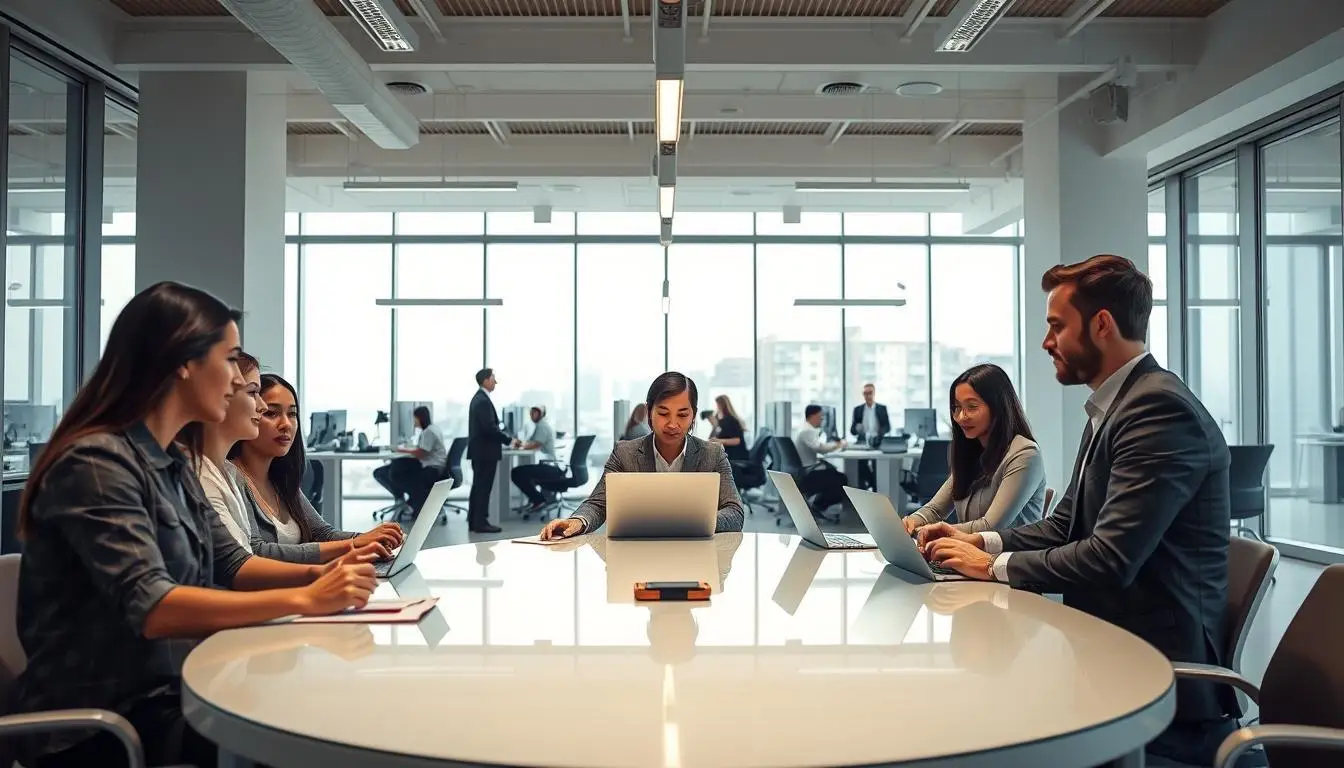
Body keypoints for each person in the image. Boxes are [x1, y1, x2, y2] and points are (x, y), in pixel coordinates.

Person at [4, 282, 380, 768]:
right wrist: (308, 597)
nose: (236, 381)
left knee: (328, 706)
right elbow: (155, 606)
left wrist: (325, 579)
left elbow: (228, 563)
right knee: (317, 740)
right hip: (108, 726)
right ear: (183, 363)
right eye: (228, 361)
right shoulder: (96, 463)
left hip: (179, 689)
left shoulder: (172, 464)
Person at [920, 254, 1239, 767]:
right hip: (1104, 651)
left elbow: (1111, 557)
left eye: (1055, 326)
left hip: (1155, 686)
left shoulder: (1158, 409)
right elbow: (1067, 523)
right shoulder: (1113, 408)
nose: (1047, 342)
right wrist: (981, 542)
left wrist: (993, 567)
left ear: (1102, 324)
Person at [539, 372, 744, 540]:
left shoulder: (713, 454)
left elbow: (735, 511)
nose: (673, 424)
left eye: (682, 415)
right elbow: (598, 503)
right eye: (663, 413)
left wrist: (697, 521)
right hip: (638, 555)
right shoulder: (625, 452)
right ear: (649, 411)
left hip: (698, 555)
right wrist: (577, 521)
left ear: (692, 415)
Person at [232, 374, 404, 558]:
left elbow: (323, 534)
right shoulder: (232, 477)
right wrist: (354, 544)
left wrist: (371, 540)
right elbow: (257, 552)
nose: (286, 424)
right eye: (271, 413)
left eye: (292, 414)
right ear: (249, 416)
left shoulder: (280, 481)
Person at [903, 363, 1045, 536]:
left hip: (1008, 560)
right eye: (957, 408)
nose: (961, 417)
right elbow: (934, 510)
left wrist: (932, 531)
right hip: (969, 556)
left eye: (972, 407)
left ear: (998, 407)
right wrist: (911, 522)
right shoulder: (973, 451)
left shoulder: (1025, 455)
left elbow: (990, 527)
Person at [373, 405, 447, 513]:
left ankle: (408, 502)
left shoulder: (428, 432)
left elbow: (421, 453)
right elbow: (422, 451)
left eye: (415, 419)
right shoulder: (433, 428)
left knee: (392, 473)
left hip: (432, 469)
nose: (414, 422)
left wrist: (400, 450)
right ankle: (407, 502)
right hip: (437, 466)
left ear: (420, 418)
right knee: (390, 470)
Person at [467, 367, 510, 534]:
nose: (495, 381)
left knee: (478, 487)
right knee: (483, 487)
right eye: (493, 378)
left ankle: (474, 521)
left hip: (481, 451)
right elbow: (490, 428)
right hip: (485, 452)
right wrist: (509, 439)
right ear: (485, 380)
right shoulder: (482, 400)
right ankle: (481, 523)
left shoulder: (479, 398)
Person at [794, 404, 849, 513]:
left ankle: (817, 504)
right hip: (809, 475)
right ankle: (818, 506)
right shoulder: (807, 431)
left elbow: (818, 447)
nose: (822, 420)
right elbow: (820, 448)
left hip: (805, 471)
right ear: (812, 416)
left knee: (836, 474)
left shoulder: (805, 429)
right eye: (820, 417)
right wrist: (838, 445)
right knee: (841, 479)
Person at [510, 406, 562, 514]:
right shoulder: (540, 425)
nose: (531, 415)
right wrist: (522, 444)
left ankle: (538, 500)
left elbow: (535, 444)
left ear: (540, 414)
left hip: (550, 467)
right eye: (531, 413)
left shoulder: (542, 426)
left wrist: (520, 446)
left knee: (517, 473)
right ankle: (534, 500)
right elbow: (531, 442)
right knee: (522, 472)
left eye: (534, 413)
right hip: (550, 465)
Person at [850, 383, 890, 489]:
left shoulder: (882, 408)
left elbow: (887, 427)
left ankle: (876, 487)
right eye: (865, 393)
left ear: (874, 393)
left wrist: (881, 433)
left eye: (870, 393)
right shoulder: (858, 410)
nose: (867, 396)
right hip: (863, 442)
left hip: (878, 442)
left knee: (878, 467)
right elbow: (852, 431)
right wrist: (857, 428)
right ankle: (865, 488)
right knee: (861, 466)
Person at [709, 394, 749, 462]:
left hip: (735, 455)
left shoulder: (731, 420)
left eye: (717, 405)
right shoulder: (722, 421)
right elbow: (711, 439)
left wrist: (719, 441)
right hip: (727, 453)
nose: (716, 409)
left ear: (722, 406)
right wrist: (714, 426)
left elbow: (737, 440)